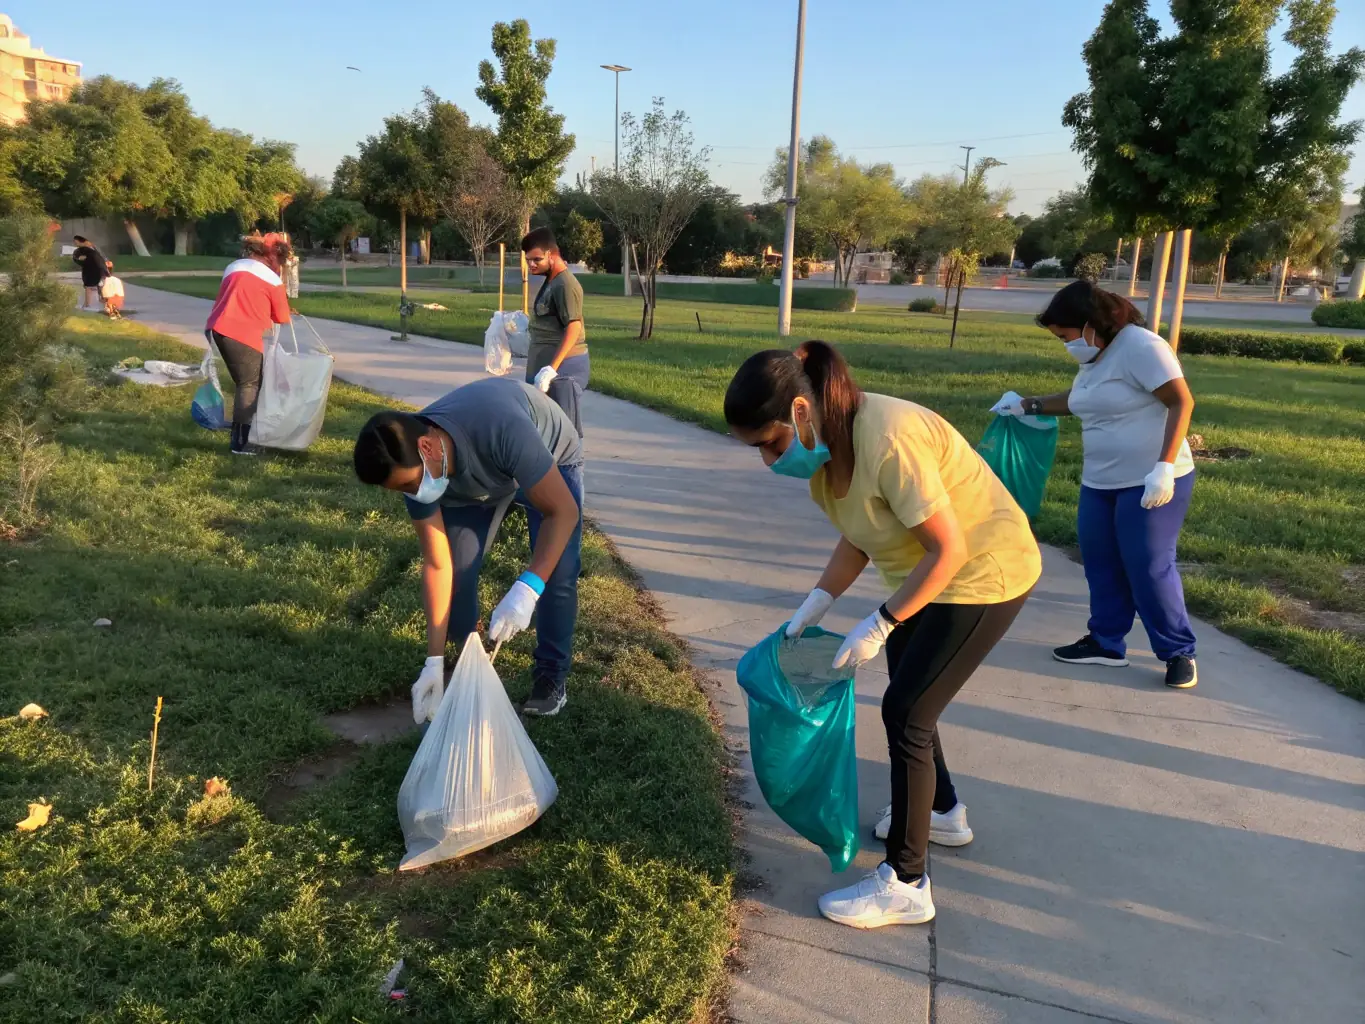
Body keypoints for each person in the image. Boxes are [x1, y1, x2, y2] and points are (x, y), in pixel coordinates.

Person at [725, 341, 1041, 930]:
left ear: (800, 410)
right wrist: (818, 602)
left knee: (907, 714)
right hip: (922, 575)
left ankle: (907, 883)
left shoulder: (886, 438)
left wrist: (882, 622)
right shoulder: (825, 455)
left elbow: (950, 549)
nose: (768, 461)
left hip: (982, 574)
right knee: (912, 695)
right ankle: (942, 811)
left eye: (769, 444)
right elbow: (860, 534)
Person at [993, 280, 1198, 689]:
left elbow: (1181, 401)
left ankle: (1178, 652)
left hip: (1151, 479)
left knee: (1148, 565)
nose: (1065, 344)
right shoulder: (1096, 356)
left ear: (1090, 324)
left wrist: (1163, 465)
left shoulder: (1141, 346)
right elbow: (1082, 399)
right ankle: (1106, 643)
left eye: (1065, 336)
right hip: (1100, 481)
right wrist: (1027, 404)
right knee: (1101, 562)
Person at [352, 376, 585, 719]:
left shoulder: (501, 428)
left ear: (428, 448)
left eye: (410, 484)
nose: (414, 493)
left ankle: (551, 678)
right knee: (458, 575)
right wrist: (433, 660)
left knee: (557, 572)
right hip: (476, 479)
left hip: (550, 454)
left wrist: (529, 587)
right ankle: (468, 670)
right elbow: (437, 564)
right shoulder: (416, 471)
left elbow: (563, 512)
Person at [204, 233, 293, 455]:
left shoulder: (234, 267)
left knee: (246, 383)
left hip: (218, 329)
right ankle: (242, 443)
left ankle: (243, 433)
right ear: (274, 256)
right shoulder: (273, 280)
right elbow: (282, 317)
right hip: (242, 334)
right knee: (249, 385)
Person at [521, 227, 588, 435]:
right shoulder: (551, 280)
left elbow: (574, 326)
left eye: (537, 259)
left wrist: (552, 369)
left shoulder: (565, 284)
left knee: (563, 436)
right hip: (547, 369)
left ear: (552, 255)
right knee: (545, 435)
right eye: (528, 259)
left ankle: (569, 470)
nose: (531, 264)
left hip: (563, 371)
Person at [71, 235, 109, 310]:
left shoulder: (90, 249)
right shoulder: (85, 249)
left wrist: (79, 259)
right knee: (94, 287)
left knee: (96, 287)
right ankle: (89, 305)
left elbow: (78, 258)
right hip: (94, 271)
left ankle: (91, 305)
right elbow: (77, 258)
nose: (75, 244)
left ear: (84, 241)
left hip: (96, 271)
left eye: (76, 242)